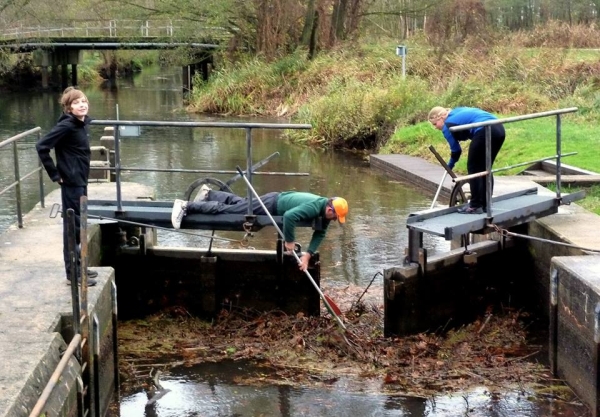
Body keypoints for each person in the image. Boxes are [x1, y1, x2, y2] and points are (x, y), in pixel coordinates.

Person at [171, 186, 348, 271]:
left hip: (274, 199)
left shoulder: (325, 209)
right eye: (335, 217)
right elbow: (289, 217)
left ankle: (209, 194)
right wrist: (290, 241)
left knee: (242, 205)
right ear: (330, 209)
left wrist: (308, 255)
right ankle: (187, 206)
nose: (334, 221)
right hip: (271, 204)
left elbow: (321, 232)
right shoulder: (314, 207)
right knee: (232, 211)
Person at [36, 87, 98, 286]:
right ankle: (73, 274)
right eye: (76, 102)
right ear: (69, 108)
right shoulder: (67, 126)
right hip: (71, 182)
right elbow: (42, 146)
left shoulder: (79, 124)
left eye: (84, 101)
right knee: (73, 227)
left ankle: (79, 267)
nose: (82, 105)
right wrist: (55, 174)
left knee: (80, 224)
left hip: (80, 180)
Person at [428, 106, 506, 214]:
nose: (435, 127)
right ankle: (486, 204)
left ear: (441, 118)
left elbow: (456, 151)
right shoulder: (456, 112)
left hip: (484, 130)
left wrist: (449, 165)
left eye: (435, 124)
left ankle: (475, 206)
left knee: (473, 168)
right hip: (499, 128)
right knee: (485, 168)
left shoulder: (447, 126)